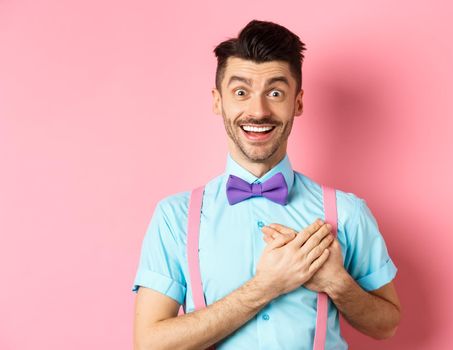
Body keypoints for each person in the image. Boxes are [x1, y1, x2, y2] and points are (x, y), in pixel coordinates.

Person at [132, 19, 401, 350]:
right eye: (241, 92)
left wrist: (338, 283)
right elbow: (150, 344)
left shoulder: (346, 212)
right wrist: (266, 286)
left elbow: (386, 325)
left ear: (297, 103)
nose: (258, 111)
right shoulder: (175, 217)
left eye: (275, 93)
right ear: (218, 101)